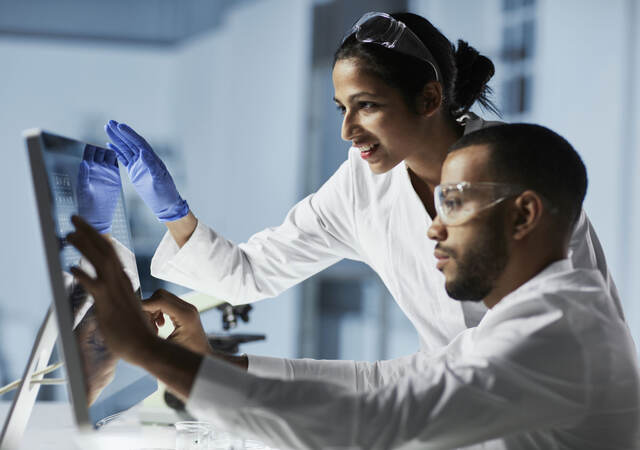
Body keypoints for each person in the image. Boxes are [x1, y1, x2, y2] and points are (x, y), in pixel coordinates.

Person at [101, 12, 623, 381]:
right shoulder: (362, 184)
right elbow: (249, 272)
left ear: (429, 97)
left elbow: (519, 361)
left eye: (366, 105)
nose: (348, 130)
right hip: (455, 406)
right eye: (340, 109)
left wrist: (226, 371)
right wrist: (173, 211)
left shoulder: (519, 179)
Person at [67, 123, 640, 449]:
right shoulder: (546, 311)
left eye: (456, 203)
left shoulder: (557, 332)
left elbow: (379, 419)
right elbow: (385, 382)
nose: (433, 228)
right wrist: (210, 365)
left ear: (523, 216)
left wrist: (146, 352)